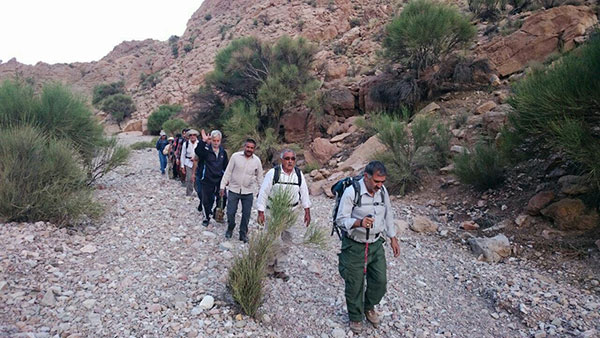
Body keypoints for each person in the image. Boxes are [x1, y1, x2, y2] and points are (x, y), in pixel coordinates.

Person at [335, 161, 400, 334]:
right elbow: (340, 220)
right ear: (366, 177)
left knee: (380, 281)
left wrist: (392, 237)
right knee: (354, 283)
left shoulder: (382, 192)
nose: (379, 186)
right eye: (376, 182)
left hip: (376, 243)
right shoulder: (352, 192)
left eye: (382, 182)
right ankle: (355, 317)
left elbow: (388, 214)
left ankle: (368, 306)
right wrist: (359, 222)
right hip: (354, 245)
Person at [256, 149, 311, 281]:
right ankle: (268, 267)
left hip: (290, 212)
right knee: (273, 240)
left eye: (292, 158)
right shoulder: (273, 173)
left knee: (287, 241)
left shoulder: (298, 174)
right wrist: (261, 211)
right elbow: (263, 192)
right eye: (287, 158)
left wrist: (307, 210)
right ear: (282, 160)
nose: (290, 161)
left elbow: (304, 191)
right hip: (274, 211)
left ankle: (279, 269)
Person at [219, 138, 263, 243]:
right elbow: (228, 172)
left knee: (246, 214)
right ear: (244, 147)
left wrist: (261, 191)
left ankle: (243, 234)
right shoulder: (235, 157)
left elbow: (260, 177)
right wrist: (222, 186)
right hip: (233, 189)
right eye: (248, 147)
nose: (249, 149)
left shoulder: (257, 161)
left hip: (248, 192)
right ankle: (230, 227)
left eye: (252, 148)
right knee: (230, 212)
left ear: (254, 149)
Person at [194, 129, 228, 226]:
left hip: (219, 179)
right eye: (214, 140)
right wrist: (203, 141)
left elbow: (226, 166)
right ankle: (206, 217)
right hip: (207, 179)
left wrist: (227, 178)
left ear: (220, 141)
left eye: (218, 141)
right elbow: (197, 151)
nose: (216, 143)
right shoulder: (206, 150)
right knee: (206, 200)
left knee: (223, 198)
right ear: (211, 140)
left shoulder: (223, 152)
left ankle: (215, 212)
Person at [180, 129, 200, 196]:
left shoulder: (199, 144)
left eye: (194, 135)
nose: (192, 136)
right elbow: (183, 155)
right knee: (189, 178)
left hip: (197, 163)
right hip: (188, 163)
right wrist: (182, 166)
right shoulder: (185, 144)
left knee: (197, 178)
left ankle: (198, 192)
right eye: (191, 135)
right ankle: (189, 193)